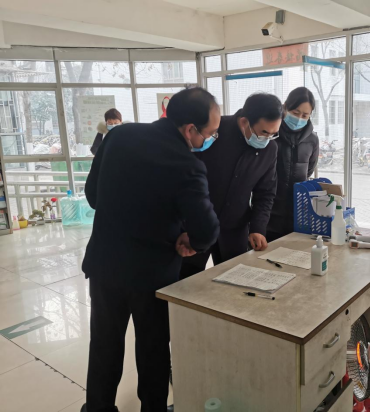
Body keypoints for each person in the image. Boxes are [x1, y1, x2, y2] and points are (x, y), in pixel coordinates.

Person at [81, 88, 221, 413]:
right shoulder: (187, 165)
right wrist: (190, 240)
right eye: (210, 133)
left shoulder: (119, 136)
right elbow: (207, 230)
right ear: (190, 129)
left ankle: (98, 408)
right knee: (153, 348)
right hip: (153, 275)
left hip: (105, 265)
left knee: (104, 344)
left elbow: (92, 195)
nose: (210, 140)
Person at [180, 93, 282, 279]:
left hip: (234, 229)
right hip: (195, 225)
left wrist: (258, 228)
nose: (267, 139)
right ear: (244, 122)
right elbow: (185, 178)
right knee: (185, 281)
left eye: (273, 134)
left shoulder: (270, 149)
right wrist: (184, 224)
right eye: (263, 132)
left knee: (234, 283)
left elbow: (265, 193)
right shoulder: (212, 132)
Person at [266, 87, 319, 242]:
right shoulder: (271, 134)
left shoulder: (312, 140)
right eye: (295, 113)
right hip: (269, 211)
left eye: (305, 115)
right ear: (285, 107)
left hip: (299, 212)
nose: (299, 118)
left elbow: (309, 170)